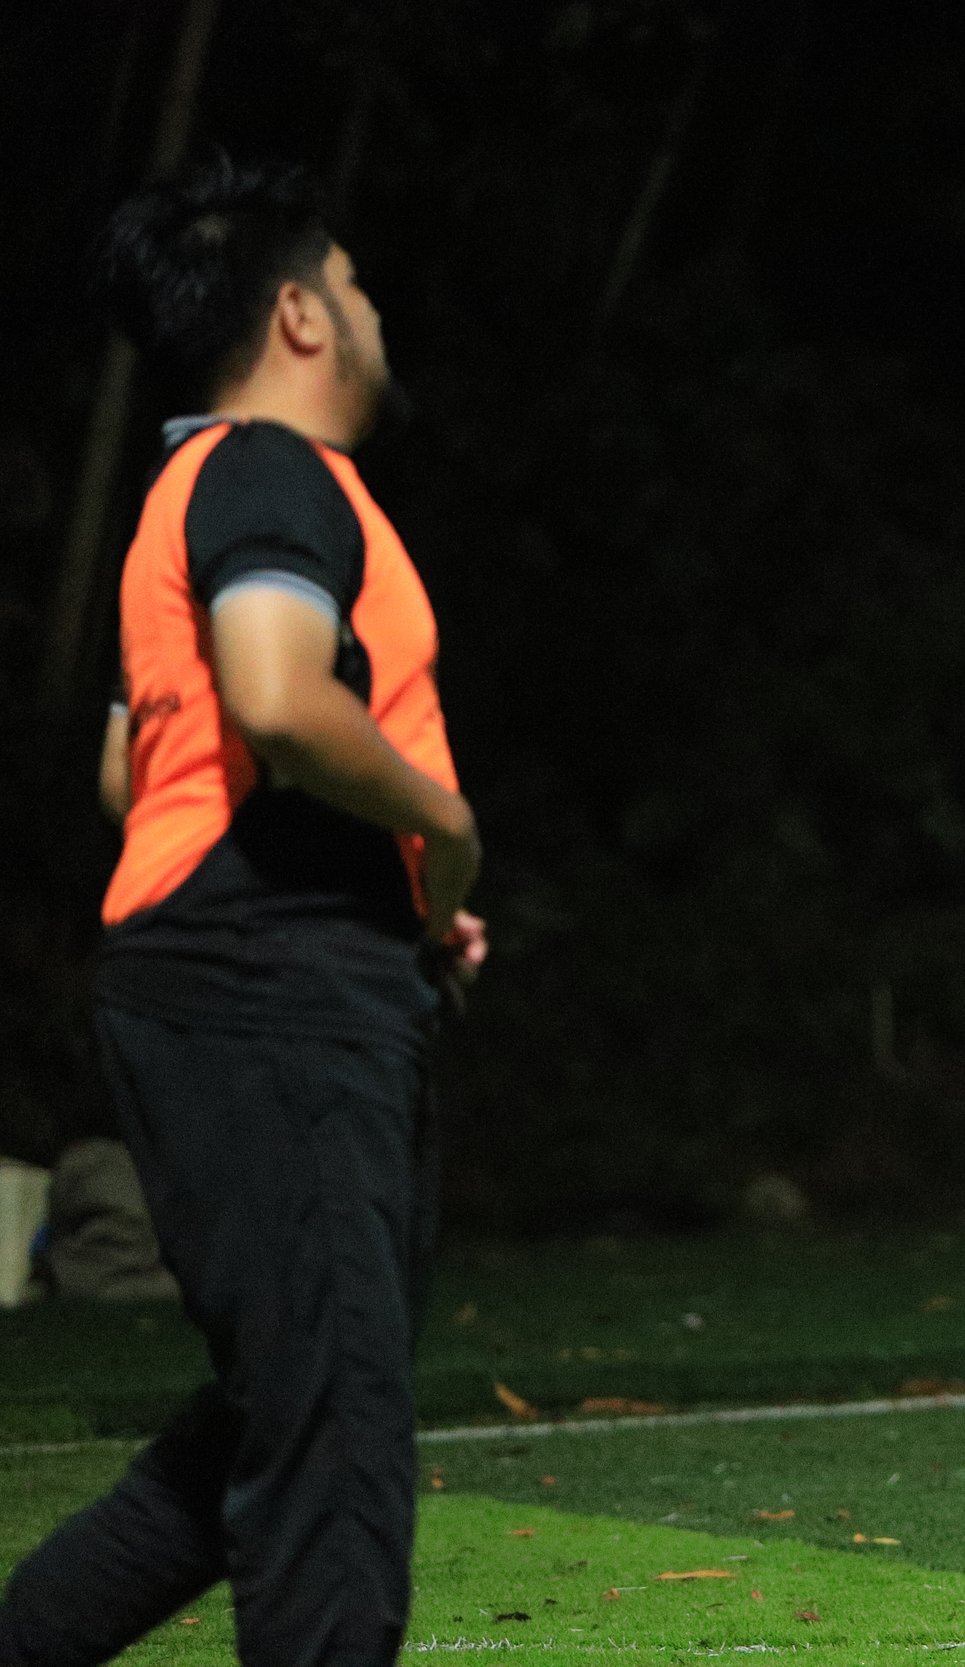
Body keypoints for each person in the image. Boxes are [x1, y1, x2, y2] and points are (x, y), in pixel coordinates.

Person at [0, 157, 483, 1667]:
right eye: (355, 280)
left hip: (255, 968)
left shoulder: (194, 485)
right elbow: (275, 697)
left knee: (266, 1426)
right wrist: (442, 825)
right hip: (271, 987)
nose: (373, 307)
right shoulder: (270, 469)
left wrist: (392, 889)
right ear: (300, 313)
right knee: (331, 1444)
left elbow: (130, 771)